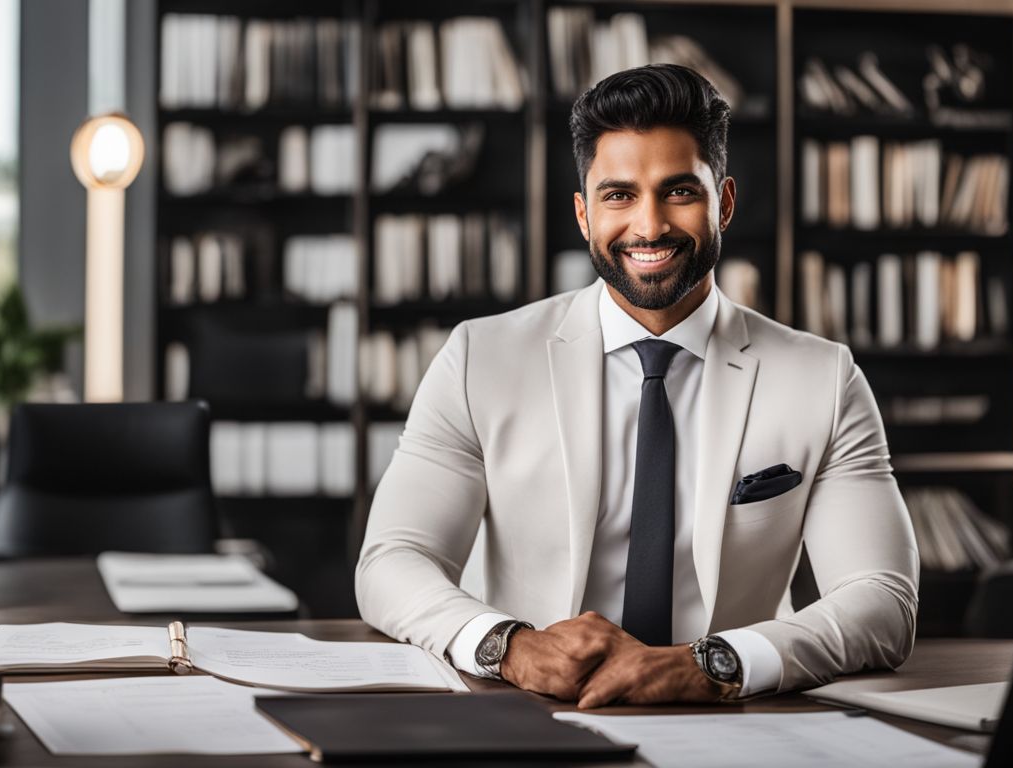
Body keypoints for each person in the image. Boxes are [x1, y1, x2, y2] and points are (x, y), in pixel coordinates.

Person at [355, 64, 918, 706]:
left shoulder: (822, 377)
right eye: (619, 195)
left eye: (679, 191)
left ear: (723, 203)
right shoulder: (479, 358)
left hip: (734, 720)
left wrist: (715, 663)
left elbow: (883, 599)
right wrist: (508, 646)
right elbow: (391, 562)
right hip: (528, 709)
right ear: (583, 214)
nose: (649, 227)